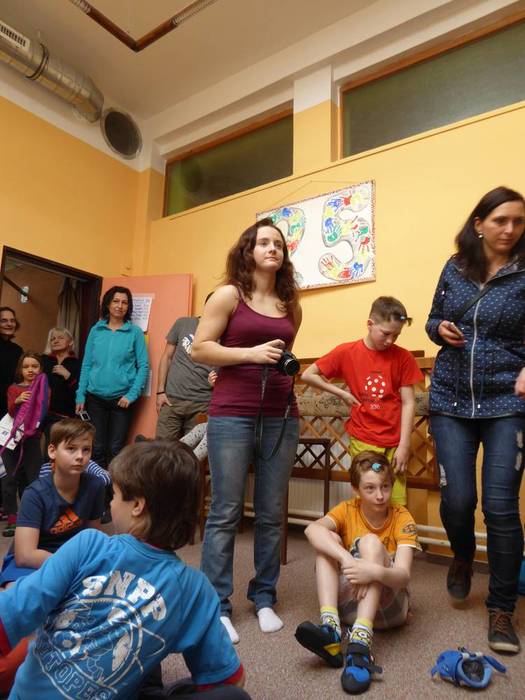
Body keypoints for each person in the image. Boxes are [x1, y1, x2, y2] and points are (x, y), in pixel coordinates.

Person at [0, 441, 249, 700]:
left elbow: (12, 611)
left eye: (115, 495)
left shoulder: (87, 545)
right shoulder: (195, 590)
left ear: (137, 505)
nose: (110, 504)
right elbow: (231, 681)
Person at [192, 218, 302, 643]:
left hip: (282, 416)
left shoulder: (291, 304)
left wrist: (269, 360)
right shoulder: (228, 295)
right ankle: (217, 604)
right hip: (232, 413)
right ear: (248, 251)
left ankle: (265, 596)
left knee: (272, 512)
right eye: (263, 242)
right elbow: (200, 349)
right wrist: (249, 355)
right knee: (225, 510)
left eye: (279, 244)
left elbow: (284, 354)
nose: (272, 249)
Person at [426, 186, 525, 655]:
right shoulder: (455, 267)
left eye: (518, 221)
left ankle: (501, 608)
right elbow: (432, 318)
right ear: (479, 224)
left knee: (501, 508)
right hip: (450, 399)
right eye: (501, 220)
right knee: (458, 499)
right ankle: (463, 556)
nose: (510, 229)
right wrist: (438, 329)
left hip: (508, 401)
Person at [295, 451, 420, 695]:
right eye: (370, 488)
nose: (380, 495)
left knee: (370, 542)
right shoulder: (347, 509)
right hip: (352, 603)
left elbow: (404, 575)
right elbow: (311, 530)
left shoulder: (402, 517)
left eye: (385, 487)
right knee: (327, 540)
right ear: (356, 489)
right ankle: (331, 630)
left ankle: (360, 643)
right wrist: (347, 560)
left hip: (390, 608)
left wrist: (372, 571)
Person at [301, 297, 423, 507]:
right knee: (370, 499)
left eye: (396, 335)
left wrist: (404, 445)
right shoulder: (347, 352)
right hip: (364, 438)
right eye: (386, 334)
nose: (390, 340)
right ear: (370, 324)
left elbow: (408, 402)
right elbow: (308, 375)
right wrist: (341, 393)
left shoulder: (403, 358)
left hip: (395, 443)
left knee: (395, 502)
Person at [0, 418, 104, 587]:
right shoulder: (35, 494)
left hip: (76, 557)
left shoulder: (95, 486)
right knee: (17, 592)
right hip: (37, 558)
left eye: (86, 449)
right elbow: (25, 555)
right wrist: (68, 566)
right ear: (52, 451)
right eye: (71, 448)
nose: (80, 456)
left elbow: (93, 537)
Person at [75, 286, 149, 470]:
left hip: (121, 400)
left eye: (124, 302)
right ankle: (98, 486)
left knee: (116, 449)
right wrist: (80, 395)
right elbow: (86, 365)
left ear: (128, 307)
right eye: (116, 301)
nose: (119, 306)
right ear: (108, 304)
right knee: (97, 447)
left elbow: (143, 367)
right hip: (95, 398)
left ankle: (114, 487)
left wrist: (132, 395)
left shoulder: (135, 332)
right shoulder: (96, 330)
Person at [1, 352, 49, 537]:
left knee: (33, 478)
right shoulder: (13, 388)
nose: (30, 370)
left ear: (41, 369)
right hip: (11, 440)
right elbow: (11, 411)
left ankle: (32, 517)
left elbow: (42, 411)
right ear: (20, 369)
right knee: (9, 479)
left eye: (34, 366)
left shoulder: (44, 388)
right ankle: (12, 519)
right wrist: (17, 401)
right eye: (26, 366)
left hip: (31, 440)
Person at [156, 296, 214, 441]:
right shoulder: (183, 323)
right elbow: (166, 357)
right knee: (162, 448)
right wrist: (160, 392)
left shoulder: (226, 334)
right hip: (172, 400)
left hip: (202, 404)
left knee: (194, 451)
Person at [41, 327, 81, 450]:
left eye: (60, 338)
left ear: (70, 342)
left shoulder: (77, 363)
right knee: (46, 448)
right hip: (43, 413)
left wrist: (68, 376)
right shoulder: (43, 360)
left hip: (65, 415)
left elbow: (80, 391)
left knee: (59, 448)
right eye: (52, 339)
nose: (56, 340)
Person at [0, 307, 23, 419]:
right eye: (4, 320)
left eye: (12, 320)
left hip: (9, 404)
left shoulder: (17, 350)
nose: (9, 324)